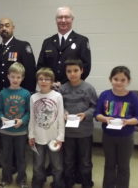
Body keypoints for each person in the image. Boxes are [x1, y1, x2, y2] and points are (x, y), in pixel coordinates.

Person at [94, 66, 138, 188]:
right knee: (109, 164)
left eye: (123, 80)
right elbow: (97, 114)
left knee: (123, 165)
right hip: (108, 136)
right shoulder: (105, 94)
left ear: (128, 81)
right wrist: (105, 118)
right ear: (110, 79)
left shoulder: (133, 97)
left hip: (126, 137)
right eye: (116, 79)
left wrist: (127, 121)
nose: (119, 82)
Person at [59, 60, 97, 188]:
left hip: (84, 133)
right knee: (68, 160)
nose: (72, 74)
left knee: (85, 161)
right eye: (69, 71)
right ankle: (68, 182)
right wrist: (63, 112)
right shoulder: (62, 89)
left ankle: (86, 183)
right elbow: (59, 107)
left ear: (82, 71)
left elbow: (95, 107)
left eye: (75, 70)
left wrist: (86, 114)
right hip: (68, 133)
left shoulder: (89, 88)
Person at [28, 67, 65, 188]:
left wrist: (60, 137)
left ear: (52, 81)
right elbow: (32, 118)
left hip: (54, 137)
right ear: (37, 81)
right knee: (38, 163)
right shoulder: (33, 97)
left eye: (47, 79)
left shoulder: (57, 96)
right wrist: (31, 135)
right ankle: (38, 181)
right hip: (38, 137)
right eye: (41, 79)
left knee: (57, 164)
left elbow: (60, 117)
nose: (44, 81)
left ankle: (58, 183)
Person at [37, 6, 91, 87]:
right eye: (60, 17)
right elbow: (41, 66)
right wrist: (50, 82)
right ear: (56, 20)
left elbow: (86, 66)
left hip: (73, 89)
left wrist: (65, 84)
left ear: (72, 19)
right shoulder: (47, 42)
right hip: (51, 88)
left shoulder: (82, 41)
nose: (63, 20)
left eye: (66, 17)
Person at [0, 62, 30, 188]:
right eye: (13, 76)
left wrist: (22, 121)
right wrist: (2, 118)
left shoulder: (26, 94)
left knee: (21, 157)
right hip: (6, 132)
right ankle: (6, 178)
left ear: (22, 78)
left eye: (18, 77)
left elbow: (28, 112)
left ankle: (21, 179)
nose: (15, 79)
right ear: (8, 76)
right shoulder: (3, 93)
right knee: (6, 157)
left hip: (21, 132)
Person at [0, 18, 36, 94]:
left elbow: (30, 72)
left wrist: (28, 93)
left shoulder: (23, 46)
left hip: (18, 95)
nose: (4, 28)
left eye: (7, 26)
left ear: (13, 28)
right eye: (1, 26)